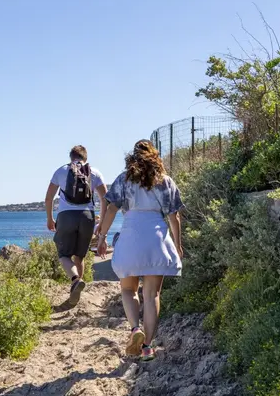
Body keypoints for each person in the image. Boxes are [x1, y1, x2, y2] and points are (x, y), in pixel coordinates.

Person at [97, 140, 184, 361]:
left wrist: (102, 237)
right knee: (152, 294)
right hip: (157, 239)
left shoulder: (124, 180)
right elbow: (174, 217)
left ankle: (135, 329)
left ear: (132, 158)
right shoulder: (165, 182)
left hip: (130, 236)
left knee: (128, 290)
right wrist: (178, 245)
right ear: (155, 156)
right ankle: (147, 347)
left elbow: (110, 210)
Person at [46, 145, 107, 305]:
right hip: (88, 217)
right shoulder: (94, 172)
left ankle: (74, 280)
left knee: (64, 255)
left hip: (66, 216)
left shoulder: (61, 171)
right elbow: (105, 199)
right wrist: (102, 224)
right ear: (85, 158)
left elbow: (49, 198)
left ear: (71, 157)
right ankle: (77, 293)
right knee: (80, 256)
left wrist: (50, 218)